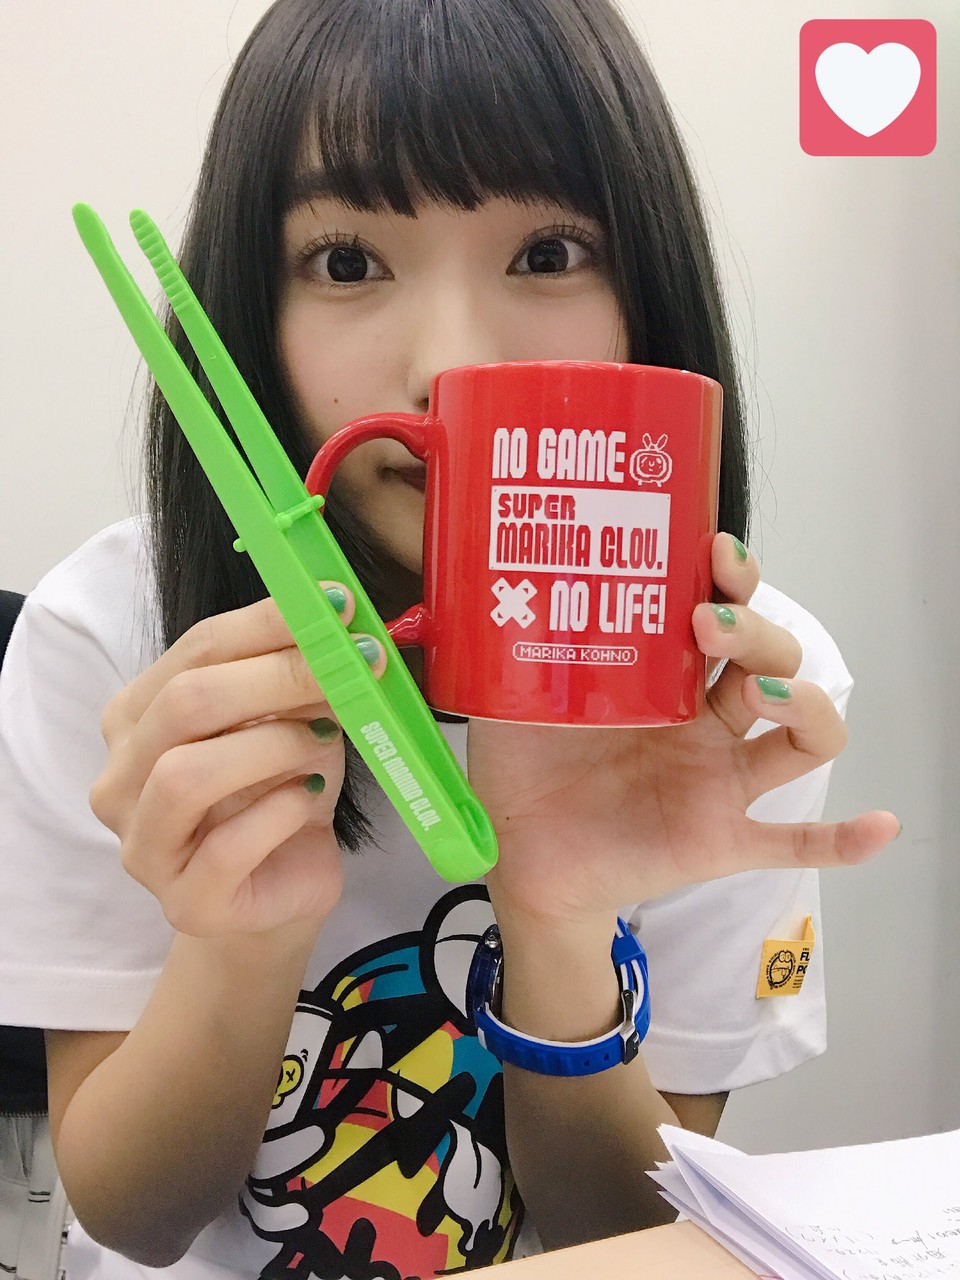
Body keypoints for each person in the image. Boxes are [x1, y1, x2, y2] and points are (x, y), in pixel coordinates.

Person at [0, 1, 899, 1277]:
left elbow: (626, 1235)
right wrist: (240, 939)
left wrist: (557, 920)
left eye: (548, 252)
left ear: (650, 295)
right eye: (346, 261)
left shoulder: (737, 693)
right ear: (252, 307)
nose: (449, 363)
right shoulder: (107, 638)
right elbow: (131, 1219)